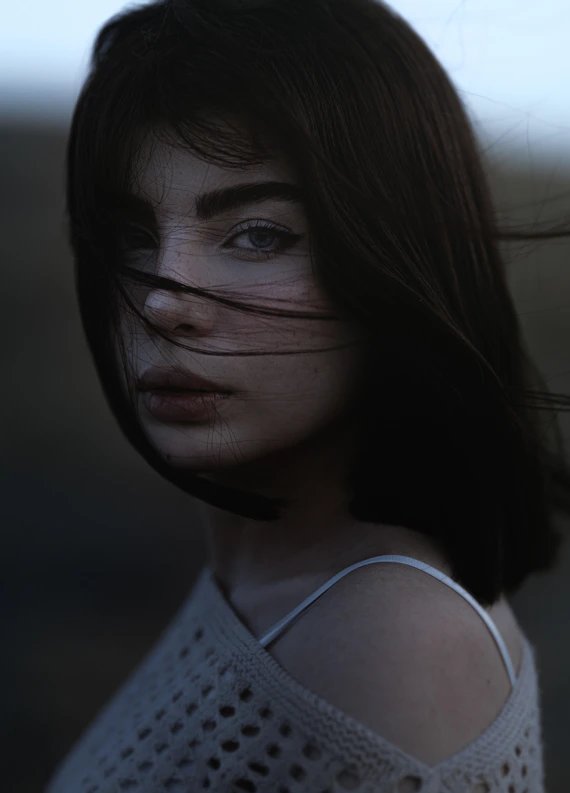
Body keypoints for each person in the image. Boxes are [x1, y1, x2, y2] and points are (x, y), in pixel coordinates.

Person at [47, 0, 570, 790]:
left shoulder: (394, 639)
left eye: (259, 234)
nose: (162, 299)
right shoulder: (268, 590)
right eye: (131, 237)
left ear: (393, 260)